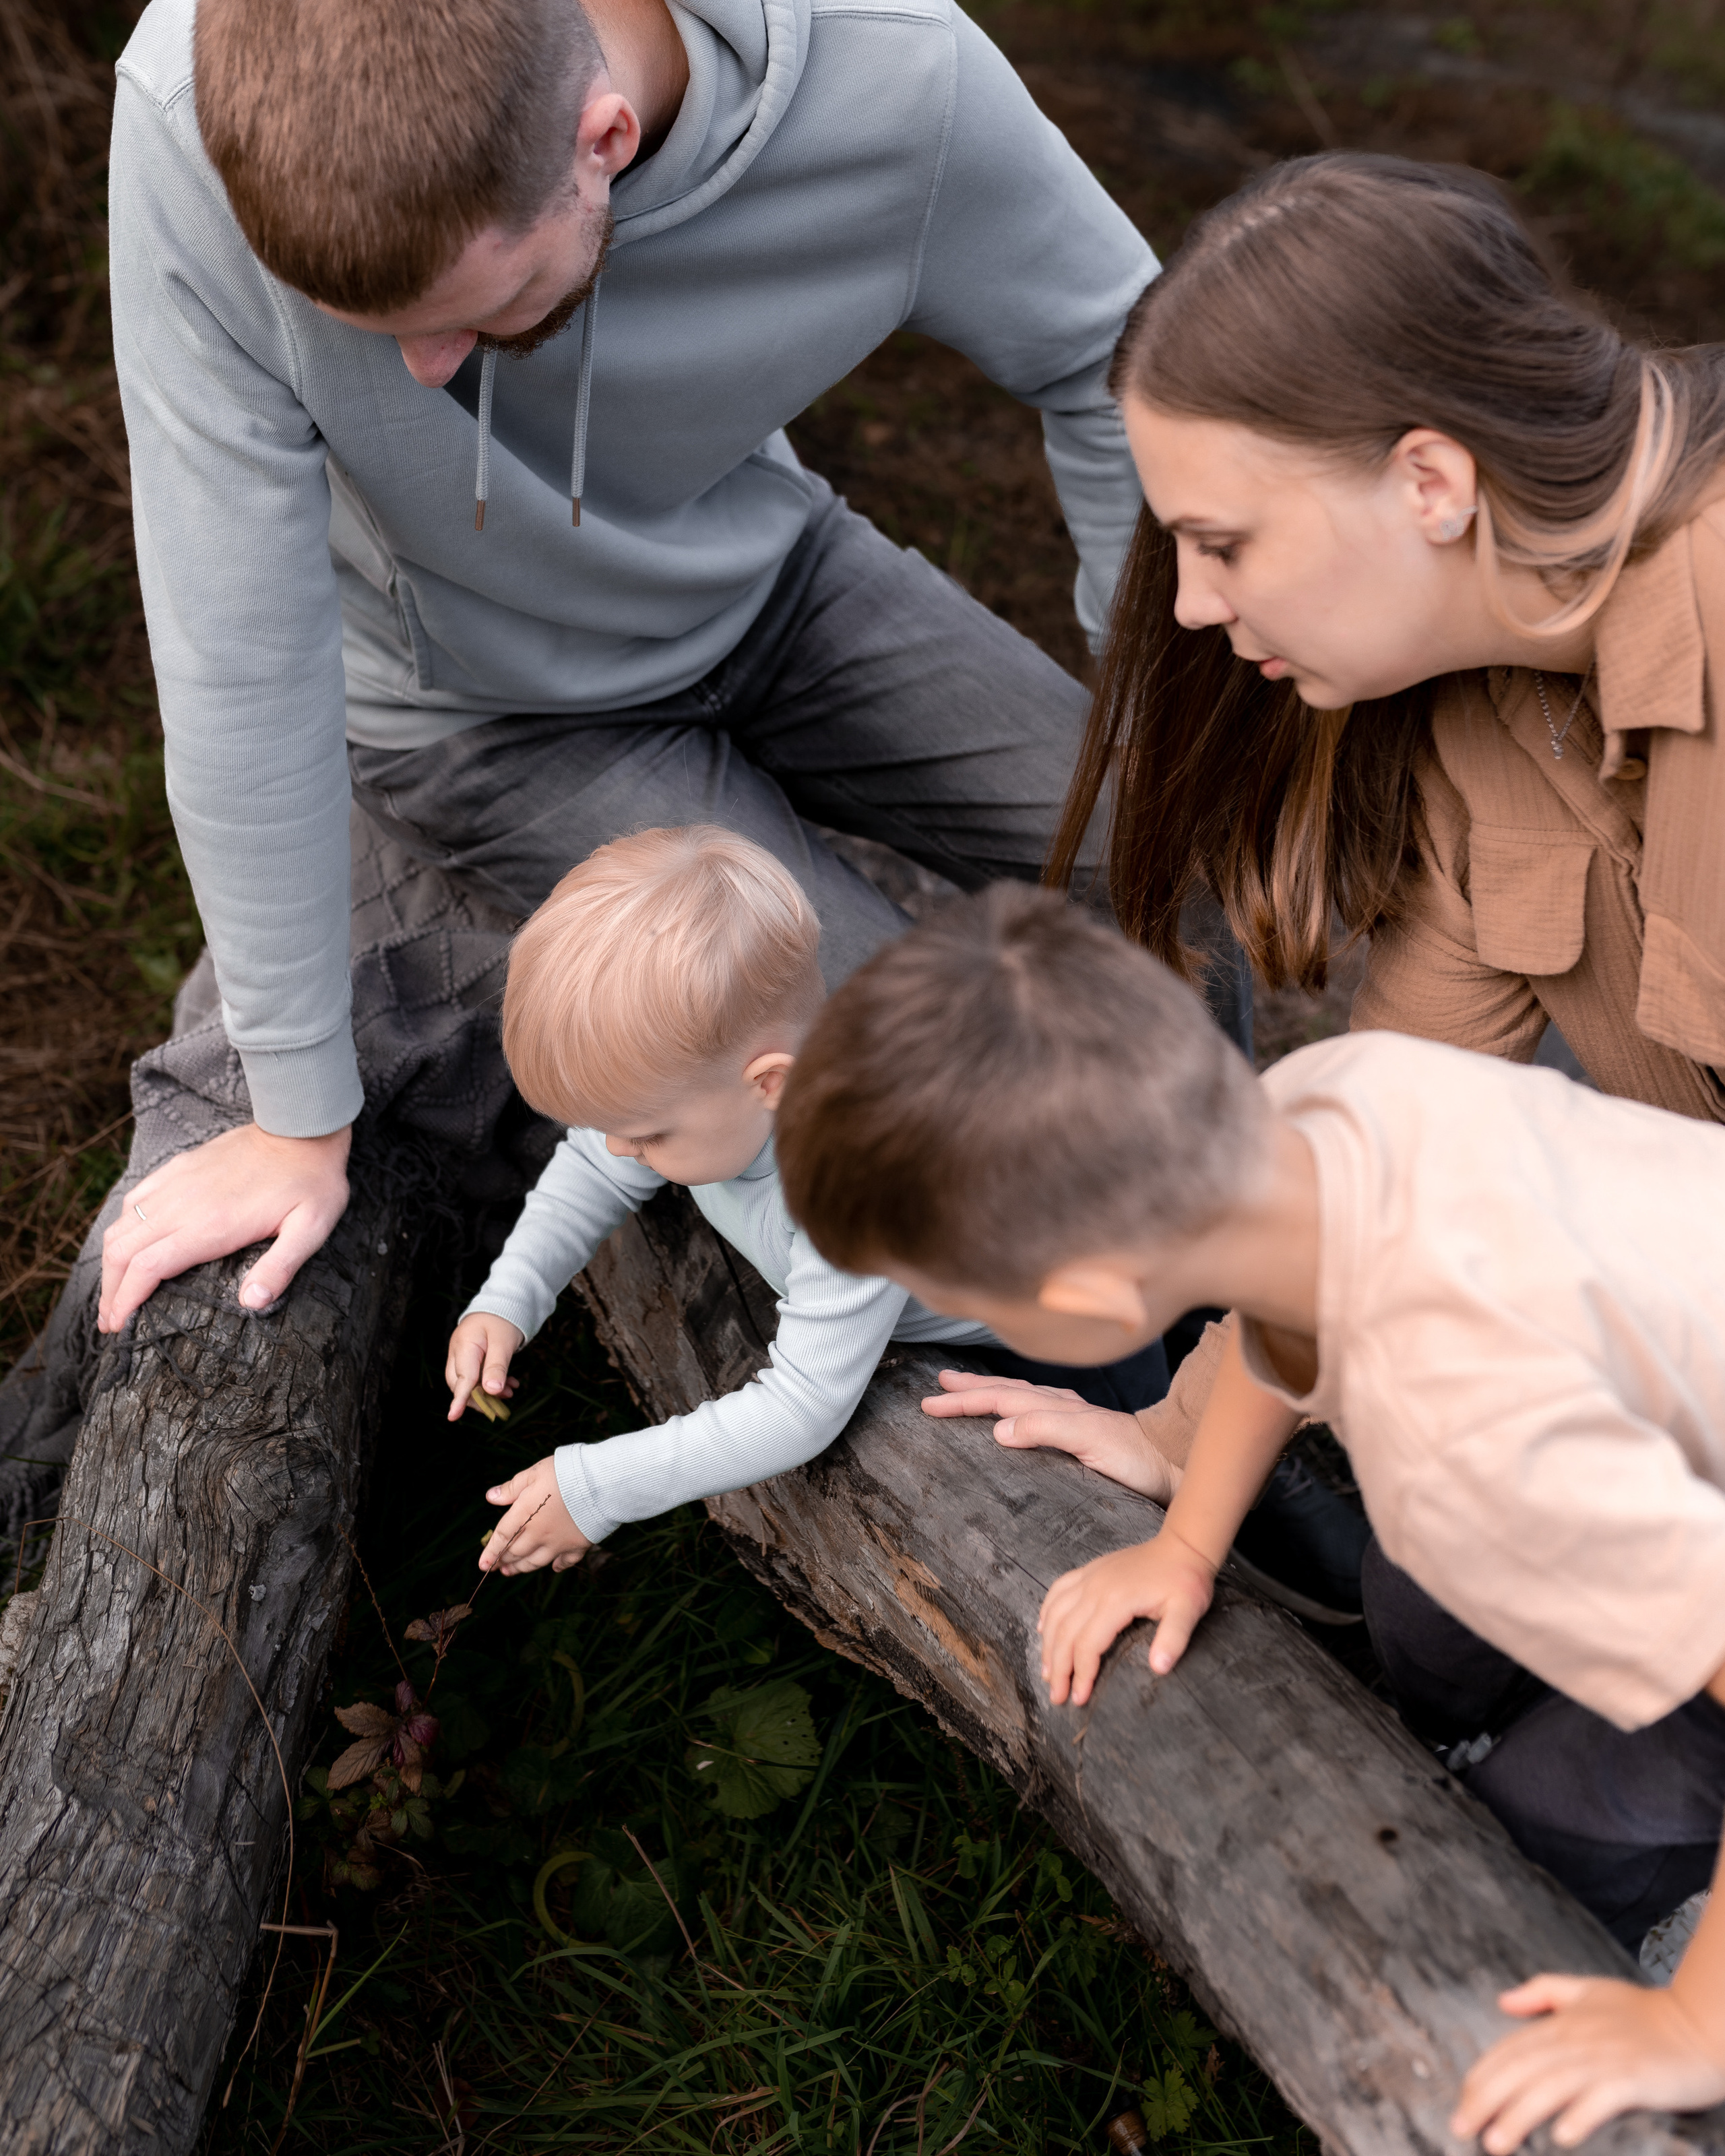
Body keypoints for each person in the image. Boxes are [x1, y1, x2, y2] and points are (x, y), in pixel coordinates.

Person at [96, 0, 1224, 1337]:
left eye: (482, 304)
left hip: (769, 574)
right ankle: (1147, 1429)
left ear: (605, 138)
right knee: (931, 1108)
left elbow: (1120, 360)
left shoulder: (898, 76)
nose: (422, 369)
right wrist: (296, 1117)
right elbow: (238, 651)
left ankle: (1249, 1312)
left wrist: (1156, 721)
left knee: (1179, 872)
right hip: (487, 717)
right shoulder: (201, 107)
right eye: (373, 326)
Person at [773, 885, 1725, 2154]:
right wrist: (1186, 1538)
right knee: (1415, 1595)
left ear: (1092, 1294)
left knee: (1571, 1815)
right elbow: (1283, 1332)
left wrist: (1697, 2028)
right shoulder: (1332, 1101)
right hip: (1637, 1441)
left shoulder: (1471, 1432)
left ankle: (1643, 1931)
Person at [447, 827, 1167, 1571]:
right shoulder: (708, 1100)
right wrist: (509, 1297)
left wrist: (597, 1487)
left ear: (769, 1083)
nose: (619, 1150)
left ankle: (1258, 1502)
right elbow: (592, 1171)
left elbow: (800, 1406)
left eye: (644, 1133)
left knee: (1140, 1469)